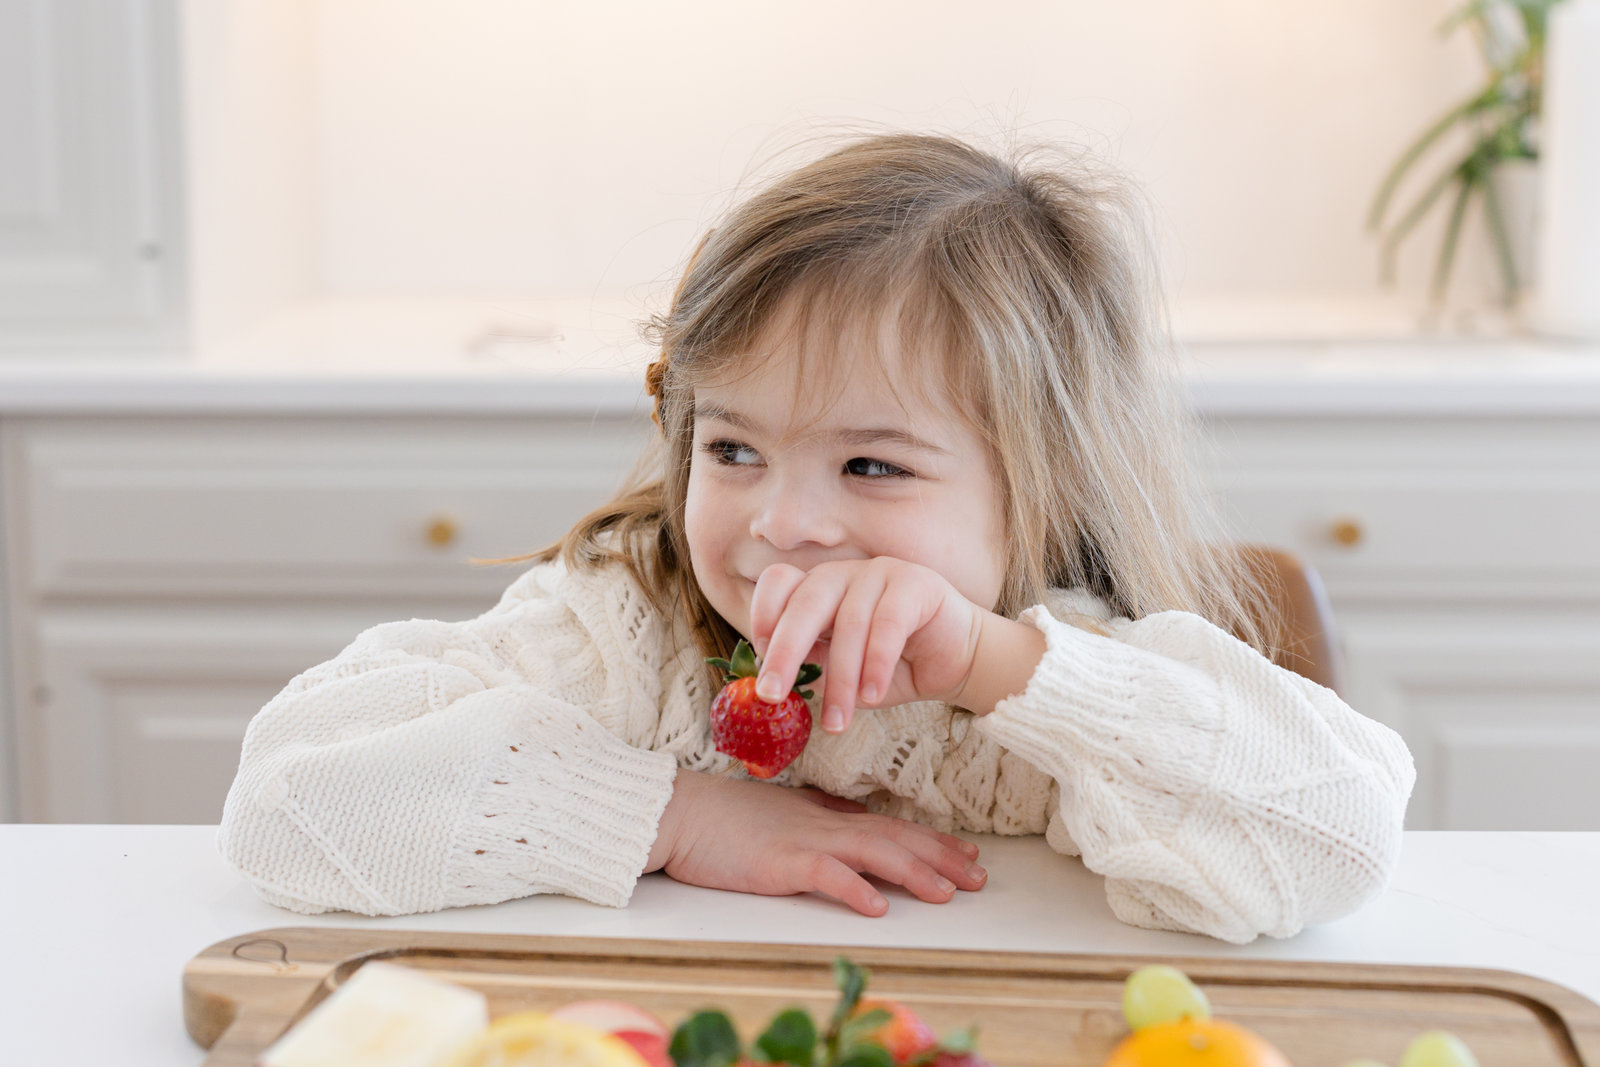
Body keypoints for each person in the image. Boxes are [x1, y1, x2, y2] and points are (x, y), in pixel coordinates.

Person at [217, 131, 1416, 944]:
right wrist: (675, 813)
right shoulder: (632, 634)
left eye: (869, 464)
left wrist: (999, 669)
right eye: (732, 449)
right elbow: (287, 797)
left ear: (1040, 488)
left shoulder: (1071, 674)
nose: (778, 523)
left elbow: (1336, 839)